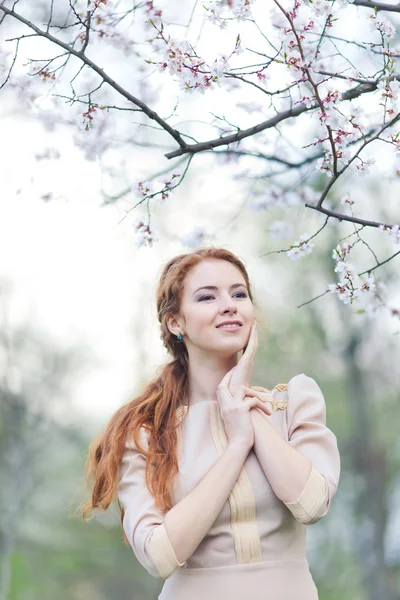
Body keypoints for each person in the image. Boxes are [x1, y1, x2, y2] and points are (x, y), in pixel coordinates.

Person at [80, 246, 341, 600]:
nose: (230, 305)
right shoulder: (146, 433)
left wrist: (244, 409)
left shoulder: (292, 402)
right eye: (207, 297)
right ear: (175, 322)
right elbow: (159, 556)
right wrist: (236, 447)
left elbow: (311, 504)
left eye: (239, 294)